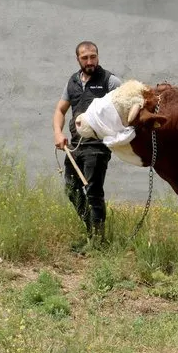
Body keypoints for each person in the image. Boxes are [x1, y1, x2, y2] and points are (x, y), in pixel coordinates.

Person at [53, 41, 122, 240]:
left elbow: (125, 106)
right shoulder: (73, 81)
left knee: (93, 192)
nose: (89, 61)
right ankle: (91, 229)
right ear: (78, 59)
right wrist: (58, 132)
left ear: (98, 57)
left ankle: (98, 241)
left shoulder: (110, 81)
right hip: (74, 146)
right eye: (85, 57)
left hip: (97, 146)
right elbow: (60, 110)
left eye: (93, 56)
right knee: (71, 189)